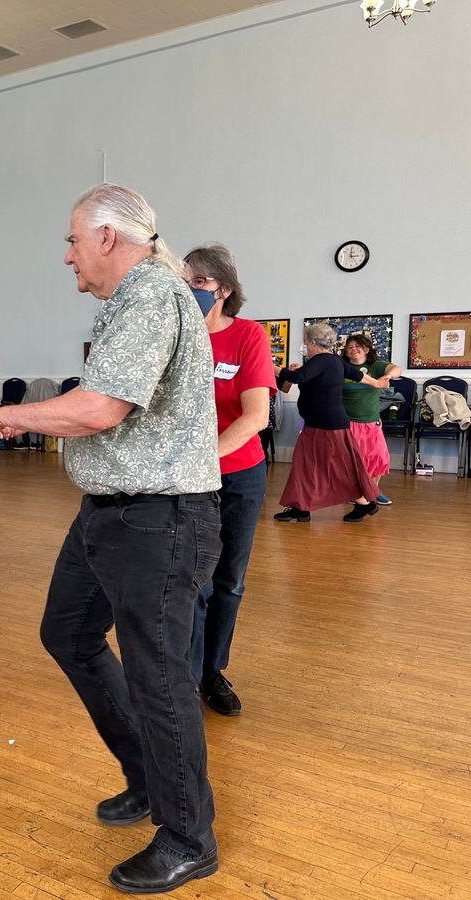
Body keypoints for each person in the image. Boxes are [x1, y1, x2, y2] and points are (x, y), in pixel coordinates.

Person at [0, 184, 224, 894]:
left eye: (74, 240)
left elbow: (101, 408)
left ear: (109, 237)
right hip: (113, 510)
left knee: (157, 672)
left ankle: (188, 836)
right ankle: (147, 776)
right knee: (69, 632)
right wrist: (1, 416)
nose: (68, 254)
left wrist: (0, 419)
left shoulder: (149, 296)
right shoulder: (132, 302)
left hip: (159, 516)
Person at [182, 245, 276, 718]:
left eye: (199, 282)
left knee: (229, 580)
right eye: (186, 281)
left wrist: (207, 459)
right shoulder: (177, 337)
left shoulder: (248, 336)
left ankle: (213, 671)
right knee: (192, 580)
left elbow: (256, 416)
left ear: (224, 289)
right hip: (188, 480)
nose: (190, 290)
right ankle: (189, 673)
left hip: (238, 474)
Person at [273, 323, 388, 524]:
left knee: (339, 467)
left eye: (305, 343)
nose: (305, 347)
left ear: (312, 342)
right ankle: (301, 507)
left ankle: (364, 503)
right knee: (304, 465)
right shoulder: (332, 361)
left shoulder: (321, 360)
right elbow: (358, 375)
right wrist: (377, 383)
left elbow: (298, 377)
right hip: (316, 425)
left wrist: (268, 364)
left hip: (329, 427)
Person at [341, 333, 400, 505]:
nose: (353, 349)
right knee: (352, 461)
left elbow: (396, 368)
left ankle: (372, 490)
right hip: (348, 422)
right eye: (350, 347)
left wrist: (387, 376)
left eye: (357, 346)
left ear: (366, 349)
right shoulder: (342, 367)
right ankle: (356, 493)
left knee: (379, 458)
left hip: (371, 422)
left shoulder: (375, 366)